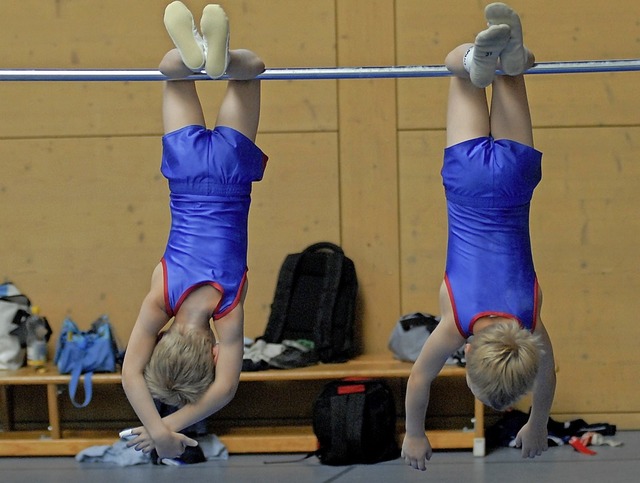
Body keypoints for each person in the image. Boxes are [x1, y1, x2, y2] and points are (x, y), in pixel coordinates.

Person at [402, 3, 556, 471]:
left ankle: (510, 58)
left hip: (514, 182)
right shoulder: (454, 324)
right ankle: (473, 59)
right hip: (467, 182)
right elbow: (418, 382)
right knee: (458, 69)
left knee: (513, 72)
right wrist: (414, 435)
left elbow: (550, 374)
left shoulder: (530, 321)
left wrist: (539, 421)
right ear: (468, 354)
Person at [121, 1, 267, 460]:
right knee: (171, 72)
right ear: (162, 338)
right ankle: (197, 54)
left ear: (212, 352)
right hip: (185, 176)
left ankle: (221, 60)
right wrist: (154, 426)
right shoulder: (161, 296)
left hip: (231, 175)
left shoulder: (226, 309)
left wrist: (171, 428)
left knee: (253, 69)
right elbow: (129, 375)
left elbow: (224, 390)